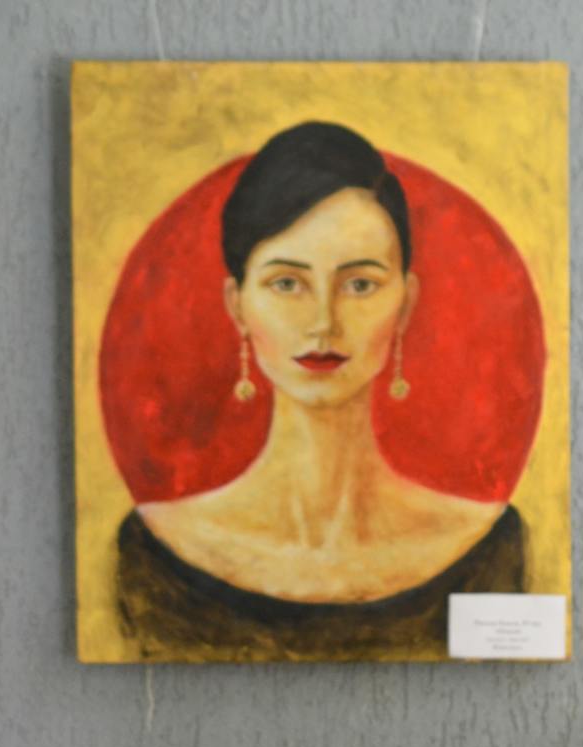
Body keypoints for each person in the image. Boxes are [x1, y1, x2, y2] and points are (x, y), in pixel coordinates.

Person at [116, 121, 524, 661]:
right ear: (238, 305)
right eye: (287, 283)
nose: (322, 323)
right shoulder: (155, 549)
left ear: (404, 304)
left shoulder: (486, 545)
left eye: (360, 284)